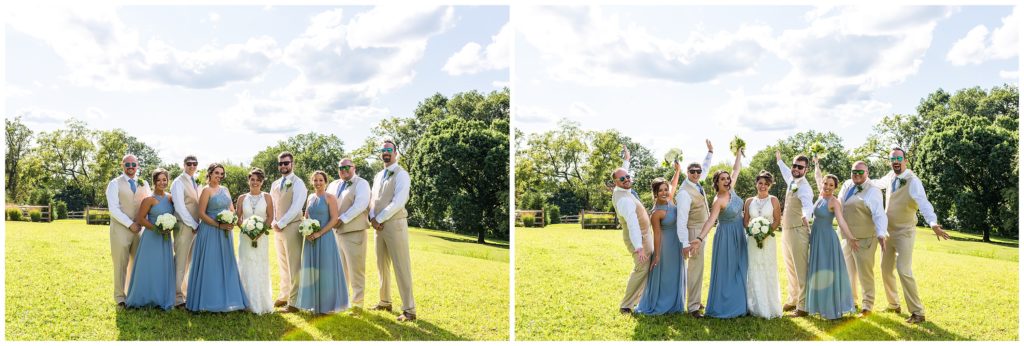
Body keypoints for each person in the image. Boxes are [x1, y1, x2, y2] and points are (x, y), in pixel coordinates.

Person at [871, 147, 949, 324]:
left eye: (899, 158)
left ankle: (918, 312)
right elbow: (877, 183)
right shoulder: (890, 176)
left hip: (905, 232)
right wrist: (860, 178)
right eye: (892, 159)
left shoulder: (913, 181)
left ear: (905, 160)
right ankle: (893, 304)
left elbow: (923, 202)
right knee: (885, 268)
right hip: (888, 232)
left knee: (903, 270)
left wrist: (933, 222)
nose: (895, 161)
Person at [185, 163, 249, 312]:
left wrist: (232, 220)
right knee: (210, 264)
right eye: (216, 173)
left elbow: (231, 209)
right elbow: (201, 213)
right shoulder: (206, 191)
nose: (219, 176)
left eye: (221, 174)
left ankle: (227, 299)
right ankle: (207, 300)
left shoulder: (225, 190)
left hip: (225, 232)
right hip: (210, 231)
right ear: (210, 173)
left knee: (225, 264)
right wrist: (217, 225)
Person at [692, 149, 746, 318]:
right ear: (716, 183)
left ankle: (740, 302)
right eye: (723, 179)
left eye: (727, 178)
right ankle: (726, 305)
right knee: (727, 271)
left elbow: (736, 169)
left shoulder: (732, 190)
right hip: (726, 237)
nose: (727, 180)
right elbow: (710, 221)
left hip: (739, 234)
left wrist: (738, 154)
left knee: (740, 268)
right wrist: (700, 238)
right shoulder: (718, 200)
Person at [369, 140, 417, 321]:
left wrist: (379, 219)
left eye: (389, 149)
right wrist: (372, 218)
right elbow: (373, 199)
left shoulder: (402, 174)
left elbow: (399, 201)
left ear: (396, 153)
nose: (386, 152)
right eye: (383, 150)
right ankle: (385, 301)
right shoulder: (378, 175)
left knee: (401, 266)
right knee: (382, 265)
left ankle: (409, 310)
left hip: (394, 224)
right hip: (377, 227)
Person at [804, 159, 857, 320]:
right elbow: (817, 176)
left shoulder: (834, 202)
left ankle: (831, 308)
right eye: (825, 184)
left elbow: (841, 221)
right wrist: (816, 163)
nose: (826, 186)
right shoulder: (820, 196)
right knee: (818, 271)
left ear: (836, 188)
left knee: (827, 271)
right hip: (817, 237)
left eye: (830, 185)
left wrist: (851, 238)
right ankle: (819, 306)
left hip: (827, 239)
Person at [838, 161, 888, 317]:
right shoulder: (846, 185)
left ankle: (867, 306)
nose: (857, 175)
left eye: (861, 172)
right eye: (854, 171)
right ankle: (851, 301)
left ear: (867, 173)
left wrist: (881, 233)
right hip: (847, 237)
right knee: (848, 272)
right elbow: (839, 205)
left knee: (864, 273)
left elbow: (879, 214)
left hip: (864, 238)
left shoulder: (873, 190)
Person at [296, 171, 349, 315]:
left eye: (320, 180)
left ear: (325, 182)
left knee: (326, 271)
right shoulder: (310, 197)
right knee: (312, 270)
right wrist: (306, 231)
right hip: (310, 240)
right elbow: (306, 216)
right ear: (311, 182)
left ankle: (327, 306)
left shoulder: (330, 198)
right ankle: (313, 303)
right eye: (315, 180)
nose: (318, 183)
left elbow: (334, 219)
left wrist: (319, 233)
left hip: (325, 238)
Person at [635, 164, 685, 315]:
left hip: (677, 243)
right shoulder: (656, 213)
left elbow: (674, 184)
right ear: (655, 193)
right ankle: (662, 303)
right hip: (665, 247)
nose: (664, 192)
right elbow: (657, 234)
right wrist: (657, 255)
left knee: (676, 273)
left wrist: (677, 171)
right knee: (666, 275)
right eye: (660, 190)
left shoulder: (670, 200)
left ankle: (675, 305)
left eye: (666, 189)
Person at [124, 169, 176, 310]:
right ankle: (143, 297)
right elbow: (140, 219)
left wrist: (169, 227)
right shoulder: (148, 200)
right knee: (149, 267)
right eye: (159, 180)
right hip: (151, 237)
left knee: (162, 268)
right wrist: (156, 229)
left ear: (167, 181)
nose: (162, 182)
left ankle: (160, 298)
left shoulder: (171, 198)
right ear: (154, 182)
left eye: (164, 179)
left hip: (165, 238)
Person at [674, 139, 714, 318]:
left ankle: (695, 300)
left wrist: (710, 152)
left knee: (698, 267)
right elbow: (681, 221)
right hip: (692, 233)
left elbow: (705, 167)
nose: (697, 173)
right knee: (695, 269)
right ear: (686, 173)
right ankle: (692, 307)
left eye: (698, 171)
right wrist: (684, 243)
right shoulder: (684, 193)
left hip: (701, 231)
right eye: (693, 171)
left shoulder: (696, 183)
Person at [106, 154, 151, 308]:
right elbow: (113, 208)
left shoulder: (144, 183)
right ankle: (120, 298)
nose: (131, 167)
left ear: (138, 165)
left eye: (133, 164)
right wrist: (129, 223)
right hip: (120, 229)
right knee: (120, 263)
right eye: (128, 164)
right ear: (122, 165)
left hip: (140, 229)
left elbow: (149, 202)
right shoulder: (114, 184)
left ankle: (135, 294)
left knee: (138, 263)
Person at [327, 158, 371, 309]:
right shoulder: (333, 184)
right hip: (335, 233)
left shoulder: (362, 183)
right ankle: (342, 301)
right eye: (340, 167)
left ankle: (358, 304)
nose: (344, 170)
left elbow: (361, 204)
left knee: (356, 270)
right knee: (339, 269)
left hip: (354, 232)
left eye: (347, 167)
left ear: (354, 167)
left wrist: (342, 219)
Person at [610, 161, 654, 315]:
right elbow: (633, 224)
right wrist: (639, 247)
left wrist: (626, 161)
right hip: (638, 238)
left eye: (628, 176)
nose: (626, 179)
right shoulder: (623, 200)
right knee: (641, 269)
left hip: (644, 236)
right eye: (622, 179)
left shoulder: (623, 190)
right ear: (616, 182)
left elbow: (622, 173)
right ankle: (626, 305)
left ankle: (639, 299)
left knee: (646, 269)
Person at [775, 151, 814, 317]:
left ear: (806, 170)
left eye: (800, 167)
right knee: (790, 267)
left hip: (799, 230)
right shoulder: (791, 179)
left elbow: (807, 205)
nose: (796, 168)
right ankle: (793, 299)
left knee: (800, 269)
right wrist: (779, 161)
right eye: (794, 165)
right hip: (787, 231)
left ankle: (803, 307)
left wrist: (806, 215)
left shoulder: (805, 188)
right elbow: (785, 171)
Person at [270, 152, 308, 312]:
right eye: (281, 163)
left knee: (294, 265)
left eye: (286, 163)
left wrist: (282, 222)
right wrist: (273, 221)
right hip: (277, 228)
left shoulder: (298, 183)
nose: (283, 166)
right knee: (282, 264)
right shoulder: (275, 183)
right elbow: (272, 205)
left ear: (292, 164)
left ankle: (294, 302)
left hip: (292, 226)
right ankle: (284, 295)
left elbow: (297, 206)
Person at [742, 170, 783, 319]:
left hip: (768, 239)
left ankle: (770, 306)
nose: (763, 186)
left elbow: (777, 220)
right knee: (753, 269)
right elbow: (746, 221)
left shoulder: (774, 200)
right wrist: (753, 232)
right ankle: (754, 306)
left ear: (770, 185)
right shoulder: (748, 201)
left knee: (768, 268)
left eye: (766, 184)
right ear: (756, 184)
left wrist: (765, 233)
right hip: (752, 240)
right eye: (760, 183)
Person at [234, 168, 275, 314]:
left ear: (262, 182)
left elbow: (270, 217)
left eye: (258, 180)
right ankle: (244, 302)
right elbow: (237, 217)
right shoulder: (241, 198)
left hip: (261, 238)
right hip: (245, 238)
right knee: (245, 265)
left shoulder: (267, 197)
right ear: (249, 180)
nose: (255, 182)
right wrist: (245, 230)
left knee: (260, 266)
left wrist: (259, 232)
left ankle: (261, 303)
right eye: (252, 179)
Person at [170, 155, 201, 308]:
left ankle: (184, 294)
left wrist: (197, 225)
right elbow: (180, 207)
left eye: (195, 164)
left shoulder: (194, 181)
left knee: (189, 262)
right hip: (184, 226)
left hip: (195, 227)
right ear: (183, 165)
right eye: (189, 164)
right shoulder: (178, 182)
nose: (192, 166)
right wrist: (193, 224)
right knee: (180, 262)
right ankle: (176, 298)